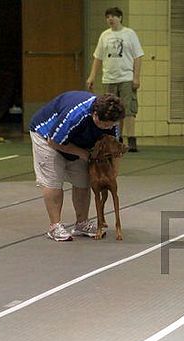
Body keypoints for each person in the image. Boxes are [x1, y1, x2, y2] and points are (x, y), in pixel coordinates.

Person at [29, 91, 125, 241]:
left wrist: (113, 173)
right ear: (94, 114)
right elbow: (53, 141)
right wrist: (83, 154)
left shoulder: (113, 121)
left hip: (79, 141)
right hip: (46, 135)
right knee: (53, 179)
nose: (107, 127)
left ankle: (81, 223)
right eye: (104, 123)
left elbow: (117, 149)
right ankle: (55, 226)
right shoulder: (76, 114)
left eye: (110, 124)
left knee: (82, 180)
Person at [86, 6, 144, 153]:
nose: (110, 19)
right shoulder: (104, 35)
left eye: (113, 16)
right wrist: (92, 75)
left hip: (126, 77)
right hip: (109, 78)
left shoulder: (129, 34)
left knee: (128, 109)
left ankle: (131, 139)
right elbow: (97, 57)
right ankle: (115, 138)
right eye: (108, 17)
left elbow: (138, 56)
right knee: (110, 110)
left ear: (120, 18)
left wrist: (136, 77)